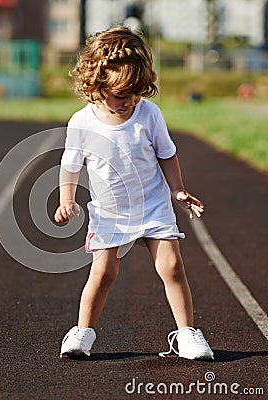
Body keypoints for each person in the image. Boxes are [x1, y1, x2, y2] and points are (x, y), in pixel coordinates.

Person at [54, 26, 214, 361]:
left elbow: (166, 154)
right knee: (103, 273)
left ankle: (187, 335)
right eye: (120, 95)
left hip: (153, 206)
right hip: (110, 212)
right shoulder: (82, 123)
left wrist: (178, 191)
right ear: (97, 86)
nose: (129, 102)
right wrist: (66, 200)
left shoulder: (149, 115)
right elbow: (71, 164)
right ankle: (82, 332)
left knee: (171, 267)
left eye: (135, 94)